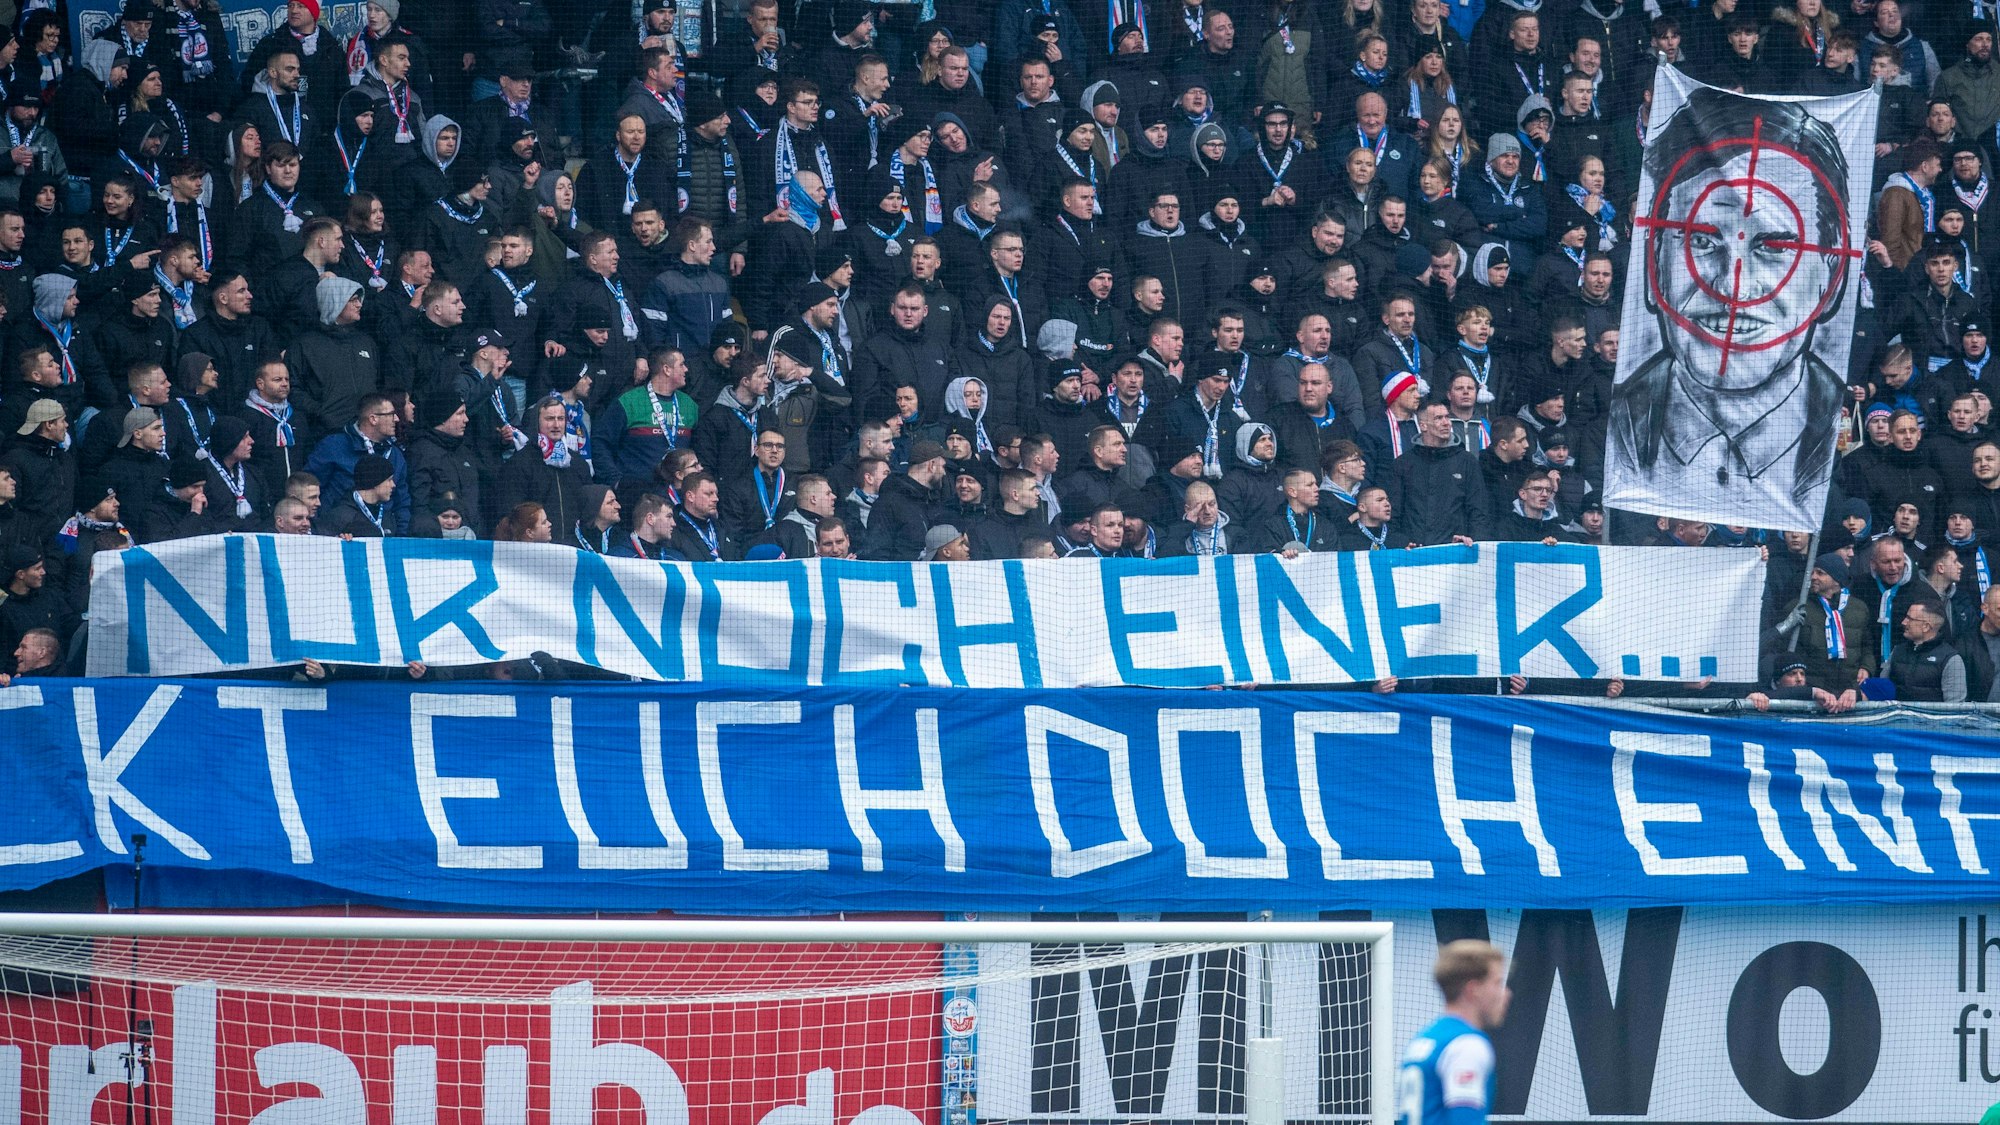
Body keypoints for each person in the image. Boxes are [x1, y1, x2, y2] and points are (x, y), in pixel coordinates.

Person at [1607, 87, 1850, 530]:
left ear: (1831, 278)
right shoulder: (1613, 431)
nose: (1733, 285)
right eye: (1701, 240)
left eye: (1773, 245)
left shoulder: (1852, 450)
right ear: (1654, 264)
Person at [1397, 940, 1510, 1125]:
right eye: (1497, 983)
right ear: (1473, 990)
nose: (1506, 993)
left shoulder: (1426, 1039)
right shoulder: (1467, 1045)